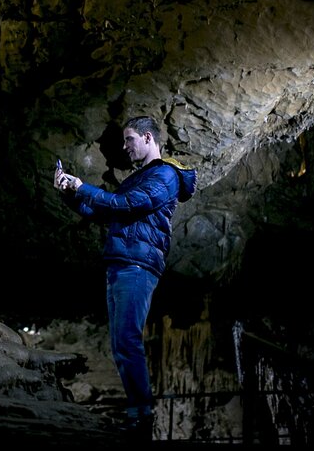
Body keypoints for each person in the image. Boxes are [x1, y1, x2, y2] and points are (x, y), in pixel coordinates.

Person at [54, 116, 197, 440]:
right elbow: (105, 212)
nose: (124, 147)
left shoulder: (165, 175)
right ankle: (138, 416)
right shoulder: (140, 178)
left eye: (129, 139)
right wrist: (70, 193)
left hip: (137, 263)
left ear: (148, 138)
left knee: (128, 340)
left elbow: (129, 204)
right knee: (121, 343)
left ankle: (141, 420)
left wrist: (83, 186)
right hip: (122, 261)